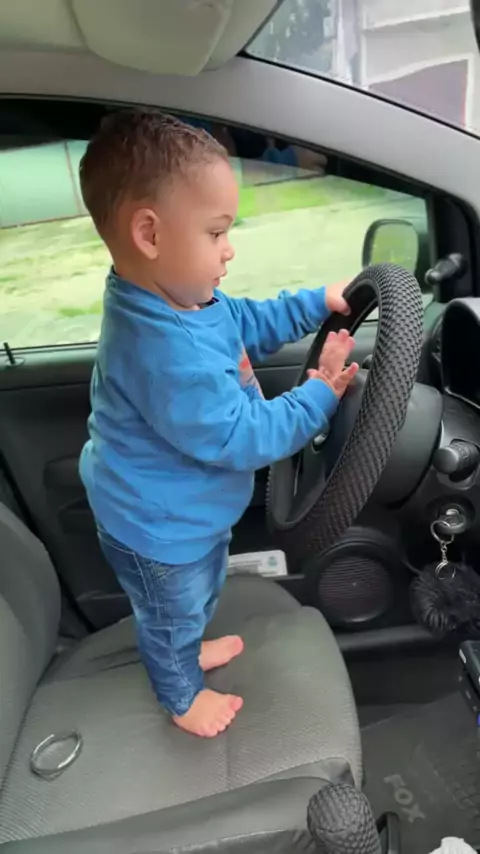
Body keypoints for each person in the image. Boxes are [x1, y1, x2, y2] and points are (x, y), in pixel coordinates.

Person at [78, 108, 358, 739]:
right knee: (170, 614)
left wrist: (316, 303)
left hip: (183, 514)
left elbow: (246, 322)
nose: (229, 249)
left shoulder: (184, 300)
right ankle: (180, 694)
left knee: (197, 595)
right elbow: (243, 436)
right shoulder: (162, 351)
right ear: (150, 234)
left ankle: (185, 647)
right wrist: (319, 394)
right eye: (216, 232)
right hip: (155, 527)